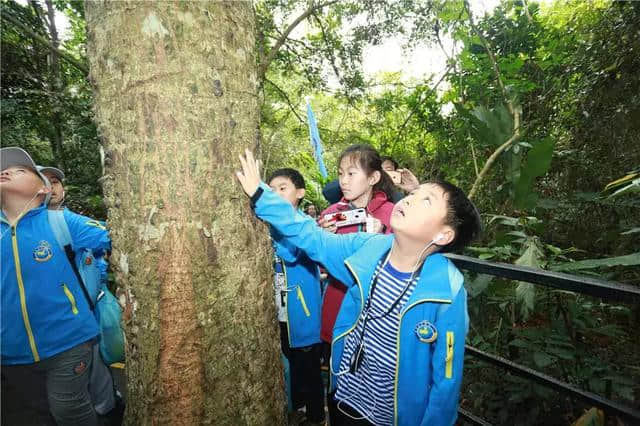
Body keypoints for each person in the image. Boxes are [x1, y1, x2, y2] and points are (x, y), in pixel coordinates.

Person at [236, 149, 481, 426]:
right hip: (345, 400)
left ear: (443, 234)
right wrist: (261, 195)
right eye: (412, 195)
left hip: (393, 417)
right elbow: (312, 237)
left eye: (425, 200)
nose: (410, 200)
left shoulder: (446, 292)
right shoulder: (368, 249)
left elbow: (445, 380)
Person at [1, 147, 110, 426]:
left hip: (68, 341)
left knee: (69, 410)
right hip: (10, 350)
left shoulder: (60, 221)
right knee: (32, 412)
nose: (7, 171)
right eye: (3, 168)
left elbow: (113, 235)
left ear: (43, 189)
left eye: (20, 169)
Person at [38, 165, 125, 425]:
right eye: (45, 181)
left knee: (99, 378)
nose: (52, 187)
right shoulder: (22, 229)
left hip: (89, 317)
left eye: (56, 181)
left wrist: (99, 274)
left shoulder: (73, 222)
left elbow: (111, 237)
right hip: (56, 329)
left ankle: (109, 407)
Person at [317, 145, 396, 350]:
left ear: (373, 178)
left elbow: (407, 263)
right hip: (337, 307)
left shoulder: (394, 214)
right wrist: (325, 242)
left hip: (379, 316)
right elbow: (318, 268)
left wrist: (382, 236)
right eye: (341, 173)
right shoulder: (330, 214)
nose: (343, 181)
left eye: (352, 173)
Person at [268, 168, 325, 426]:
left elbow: (290, 254)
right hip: (279, 311)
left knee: (309, 369)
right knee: (287, 365)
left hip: (302, 312)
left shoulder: (304, 224)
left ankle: (315, 417)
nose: (276, 194)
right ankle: (294, 410)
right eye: (271, 190)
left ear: (300, 193)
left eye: (283, 188)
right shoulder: (270, 226)